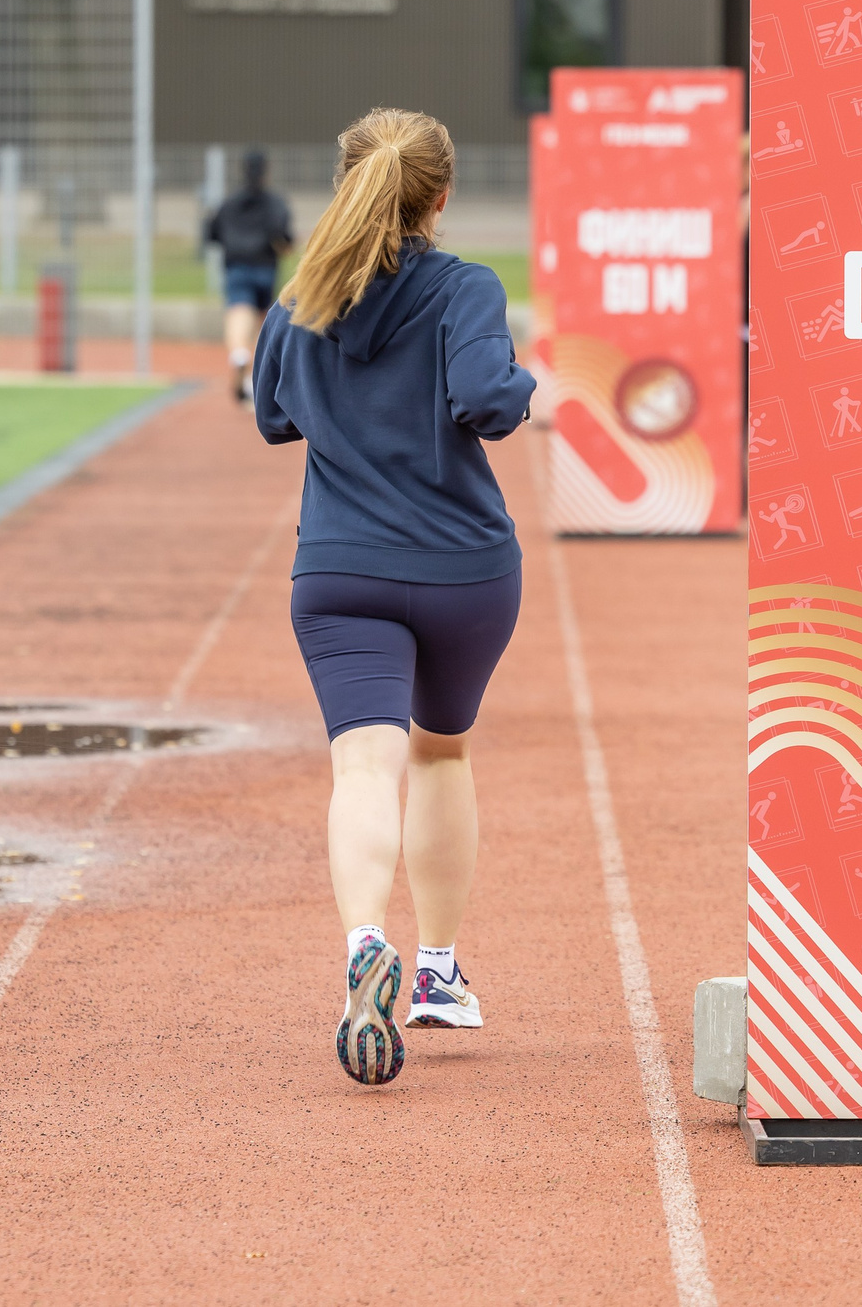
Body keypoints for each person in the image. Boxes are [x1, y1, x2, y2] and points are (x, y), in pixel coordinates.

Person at [251, 108, 535, 1087]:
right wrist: (527, 372)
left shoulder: (301, 299)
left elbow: (272, 416)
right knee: (440, 749)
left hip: (338, 570)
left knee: (362, 769)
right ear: (442, 197)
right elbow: (488, 401)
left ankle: (362, 937)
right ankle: (438, 973)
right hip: (463, 568)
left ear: (347, 183)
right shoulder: (466, 288)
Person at [205, 148, 294, 401]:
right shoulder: (275, 203)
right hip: (266, 267)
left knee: (237, 313)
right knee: (260, 323)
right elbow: (284, 236)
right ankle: (252, 378)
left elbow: (212, 233)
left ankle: (239, 356)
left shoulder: (229, 203)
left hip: (236, 267)